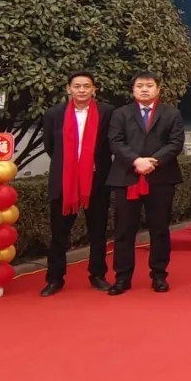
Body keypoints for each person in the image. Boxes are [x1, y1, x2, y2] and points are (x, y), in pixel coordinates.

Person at [106, 71, 185, 295]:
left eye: (149, 85)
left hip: (161, 178)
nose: (144, 89)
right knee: (124, 230)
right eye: (139, 85)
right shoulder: (120, 113)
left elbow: (175, 143)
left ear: (158, 89)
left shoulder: (171, 113)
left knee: (159, 229)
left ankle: (159, 276)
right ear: (133, 90)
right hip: (127, 177)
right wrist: (136, 161)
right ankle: (122, 278)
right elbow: (115, 141)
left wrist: (153, 161)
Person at [39, 71, 115, 297]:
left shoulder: (107, 112)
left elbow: (110, 144)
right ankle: (55, 278)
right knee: (59, 233)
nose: (82, 90)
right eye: (77, 86)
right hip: (65, 181)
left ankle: (98, 275)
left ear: (94, 89)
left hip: (96, 180)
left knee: (98, 232)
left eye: (86, 86)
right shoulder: (54, 114)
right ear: (68, 89)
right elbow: (50, 146)